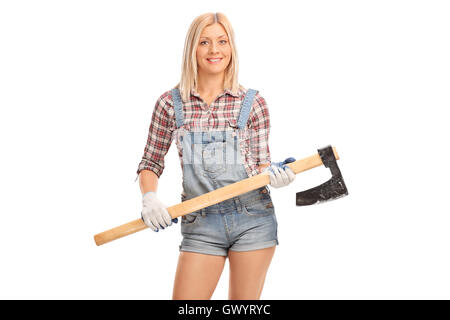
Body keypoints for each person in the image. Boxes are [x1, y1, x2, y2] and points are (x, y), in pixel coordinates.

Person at [136, 12, 296, 300]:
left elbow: (261, 164)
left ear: (231, 48)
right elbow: (151, 162)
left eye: (222, 41)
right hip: (200, 222)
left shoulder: (253, 102)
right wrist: (149, 198)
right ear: (192, 49)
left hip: (253, 219)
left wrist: (275, 175)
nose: (214, 50)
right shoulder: (170, 104)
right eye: (205, 42)